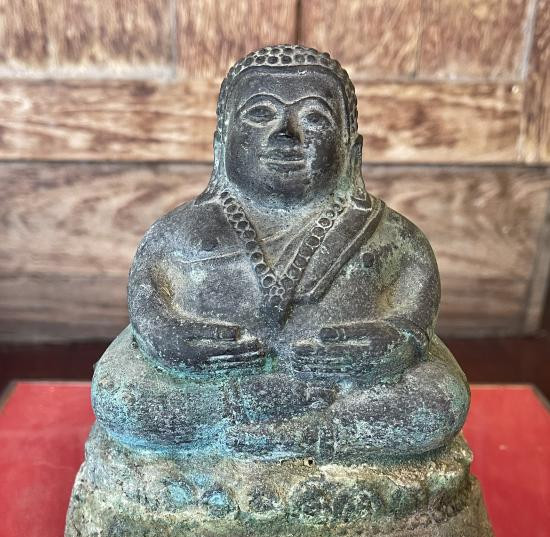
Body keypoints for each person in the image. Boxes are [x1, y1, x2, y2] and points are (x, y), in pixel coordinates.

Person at [92, 45, 469, 461]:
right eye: (260, 114)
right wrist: (167, 337)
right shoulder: (180, 231)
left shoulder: (390, 234)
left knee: (439, 399)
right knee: (123, 397)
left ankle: (323, 435)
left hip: (340, 394)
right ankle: (232, 419)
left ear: (351, 147)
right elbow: (148, 307)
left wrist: (398, 340)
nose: (287, 136)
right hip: (219, 389)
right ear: (222, 142)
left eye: (314, 118)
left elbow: (415, 315)